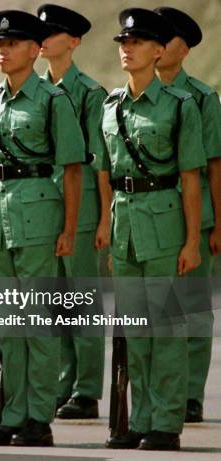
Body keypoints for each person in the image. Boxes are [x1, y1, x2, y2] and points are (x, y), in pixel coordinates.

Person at [0, 10, 84, 447]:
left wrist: (69, 227)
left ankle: (39, 416)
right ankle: (12, 415)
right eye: (0, 43)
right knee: (8, 321)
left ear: (36, 50)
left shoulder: (53, 99)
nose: (3, 50)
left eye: (13, 43)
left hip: (39, 213)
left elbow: (72, 169)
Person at [98, 8, 205, 451]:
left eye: (137, 43)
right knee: (135, 330)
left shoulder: (180, 106)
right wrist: (105, 225)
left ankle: (166, 422)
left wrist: (193, 240)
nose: (128, 50)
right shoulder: (109, 108)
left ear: (159, 51)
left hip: (163, 223)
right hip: (125, 228)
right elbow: (104, 174)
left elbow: (192, 178)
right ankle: (139, 420)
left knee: (167, 331)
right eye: (124, 43)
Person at [37, 3, 106, 420]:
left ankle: (87, 390)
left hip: (80, 209)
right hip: (43, 207)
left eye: (54, 32)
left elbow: (99, 163)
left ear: (74, 42)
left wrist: (103, 219)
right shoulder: (37, 87)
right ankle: (62, 382)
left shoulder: (89, 93)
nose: (44, 39)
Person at [154, 6, 220, 424]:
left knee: (193, 308)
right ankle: (159, 392)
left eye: (168, 40)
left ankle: (191, 393)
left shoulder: (202, 97)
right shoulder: (130, 95)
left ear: (185, 50)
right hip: (152, 218)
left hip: (198, 216)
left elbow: (215, 164)